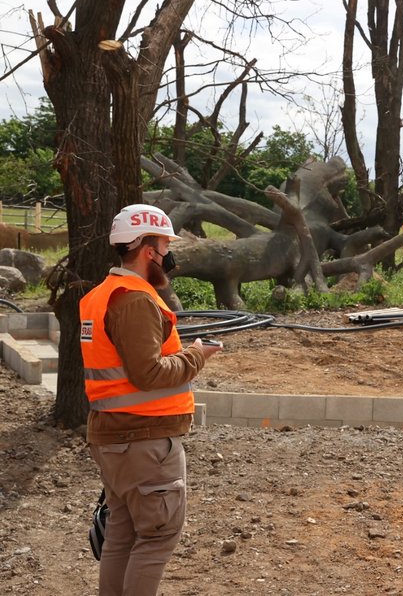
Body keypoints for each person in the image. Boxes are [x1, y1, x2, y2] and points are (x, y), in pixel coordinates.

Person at [81, 204, 221, 595]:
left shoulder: (101, 296)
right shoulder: (135, 299)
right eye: (164, 245)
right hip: (144, 443)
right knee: (157, 538)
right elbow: (149, 374)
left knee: (122, 535)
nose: (169, 255)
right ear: (147, 249)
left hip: (115, 439)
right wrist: (196, 355)